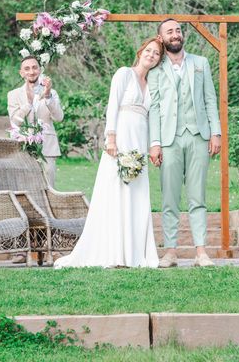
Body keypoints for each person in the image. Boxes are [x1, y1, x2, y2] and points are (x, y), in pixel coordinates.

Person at [54, 37, 163, 268]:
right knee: (117, 190)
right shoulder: (124, 73)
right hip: (121, 138)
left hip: (139, 142)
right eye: (149, 50)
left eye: (156, 54)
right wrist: (110, 137)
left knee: (136, 193)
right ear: (141, 50)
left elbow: (153, 116)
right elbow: (113, 105)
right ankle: (114, 252)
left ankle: (134, 253)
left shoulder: (152, 83)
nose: (151, 55)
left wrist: (154, 144)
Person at [148, 19, 221, 268]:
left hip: (198, 136)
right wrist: (155, 143)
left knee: (197, 196)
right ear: (162, 38)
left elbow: (210, 100)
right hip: (169, 140)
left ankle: (201, 252)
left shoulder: (200, 63)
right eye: (170, 31)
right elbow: (154, 108)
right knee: (169, 198)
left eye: (178, 30)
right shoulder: (156, 70)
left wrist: (216, 133)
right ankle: (170, 252)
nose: (175, 34)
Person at [7, 56, 64, 188]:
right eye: (27, 69)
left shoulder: (52, 92)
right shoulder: (13, 94)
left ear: (40, 70)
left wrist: (48, 95)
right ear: (21, 73)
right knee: (23, 188)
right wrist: (28, 104)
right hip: (22, 147)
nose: (31, 72)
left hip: (47, 148)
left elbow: (59, 117)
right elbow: (15, 122)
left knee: (48, 188)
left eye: (34, 67)